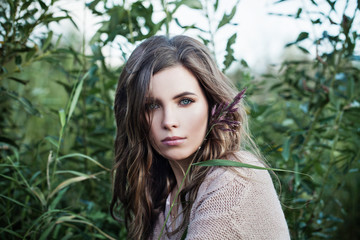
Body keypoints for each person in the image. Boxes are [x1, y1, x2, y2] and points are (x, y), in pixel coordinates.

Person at [111, 35, 290, 240]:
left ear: (211, 104)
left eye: (185, 101)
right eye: (152, 106)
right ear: (135, 116)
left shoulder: (235, 179)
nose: (169, 121)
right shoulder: (164, 194)